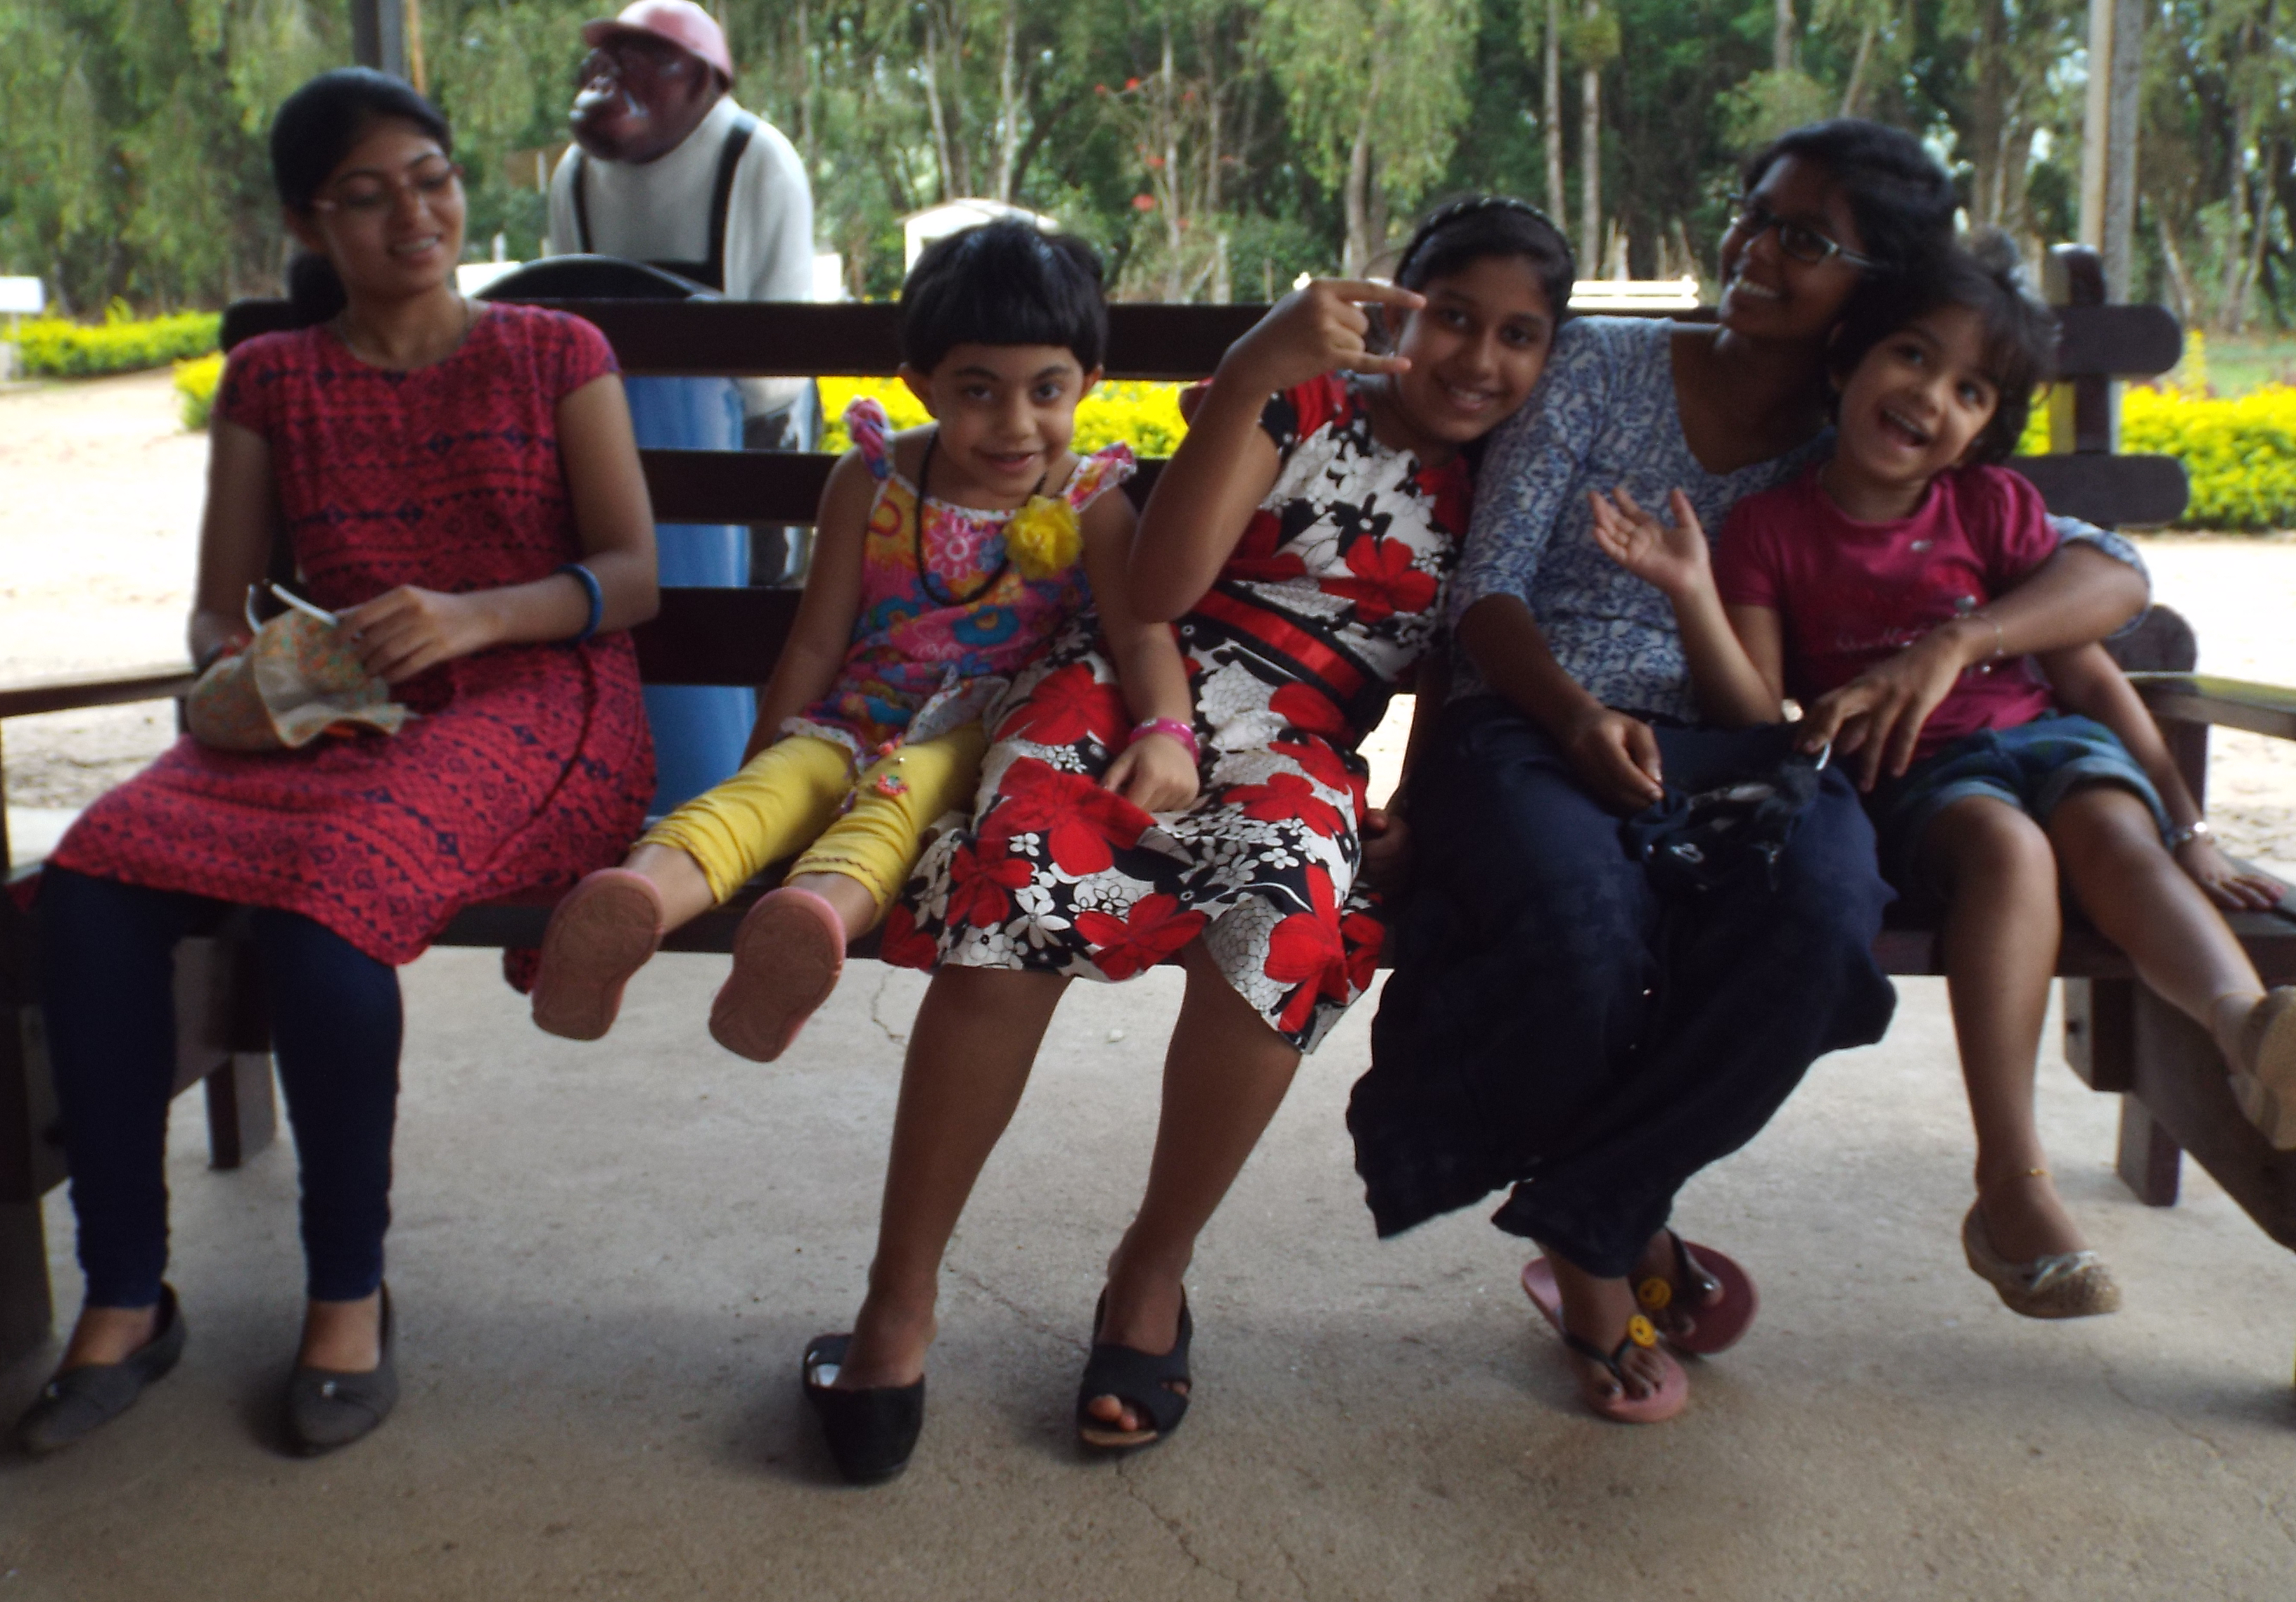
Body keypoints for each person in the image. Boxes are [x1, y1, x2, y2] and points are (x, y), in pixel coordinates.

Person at [1346, 120, 2153, 1425]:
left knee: (1824, 917)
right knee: (1580, 926)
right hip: (1534, 725)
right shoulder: (1598, 363)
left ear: (1875, 289)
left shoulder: (1866, 427)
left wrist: (1958, 641)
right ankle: (1607, 1259)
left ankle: (1596, 1206)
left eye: (1804, 238)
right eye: (1754, 212)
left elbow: (2109, 567)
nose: (1754, 248)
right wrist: (1571, 718)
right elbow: (1487, 588)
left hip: (1743, 746)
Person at [802, 198, 1574, 1484]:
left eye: (1517, 335)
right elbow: (1156, 590)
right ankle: (899, 1296)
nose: (1477, 359)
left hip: (1302, 739)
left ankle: (1151, 1271)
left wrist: (1420, 801)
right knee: (1015, 895)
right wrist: (1261, 365)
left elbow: (1454, 658)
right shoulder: (1294, 400)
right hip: (1127, 687)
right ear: (1394, 308)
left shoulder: (1505, 477)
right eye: (1451, 316)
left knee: (1289, 918)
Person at [15, 70, 658, 1459]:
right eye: (367, 197)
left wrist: (475, 615)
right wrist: (256, 675)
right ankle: (124, 1294)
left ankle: (346, 1294)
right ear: (310, 225)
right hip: (332, 709)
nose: (412, 215)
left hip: (538, 698)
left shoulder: (556, 351)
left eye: (430, 179)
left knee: (331, 899)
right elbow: (217, 610)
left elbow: (631, 576)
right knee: (93, 878)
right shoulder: (273, 377)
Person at [1588, 236, 2296, 1319]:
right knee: (2009, 848)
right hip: (1921, 778)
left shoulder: (1990, 510)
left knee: (2116, 829)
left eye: (1970, 390)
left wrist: (2191, 828)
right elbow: (1758, 716)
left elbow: (2089, 675)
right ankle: (2011, 1182)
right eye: (1913, 356)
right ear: (1848, 363)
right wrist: (1692, 594)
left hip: (2049, 745)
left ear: (1984, 427)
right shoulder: (1774, 530)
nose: (1931, 396)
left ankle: (2251, 1031)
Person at [528, 219, 1197, 1060]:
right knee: (770, 788)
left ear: (1088, 383)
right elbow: (814, 644)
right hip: (852, 717)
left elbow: (1141, 636)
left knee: (903, 796)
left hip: (983, 740)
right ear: (923, 386)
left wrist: (1168, 731)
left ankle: (808, 923)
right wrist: (767, 749)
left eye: (1046, 391)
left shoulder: (1089, 501)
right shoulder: (872, 480)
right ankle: (635, 903)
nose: (1016, 423)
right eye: (979, 391)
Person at [549, 0, 819, 807]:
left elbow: (776, 350)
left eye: (641, 59)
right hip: (614, 425)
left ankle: (741, 789)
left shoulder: (755, 158)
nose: (611, 78)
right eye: (608, 59)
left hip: (745, 427)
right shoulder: (575, 174)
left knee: (749, 610)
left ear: (700, 78)